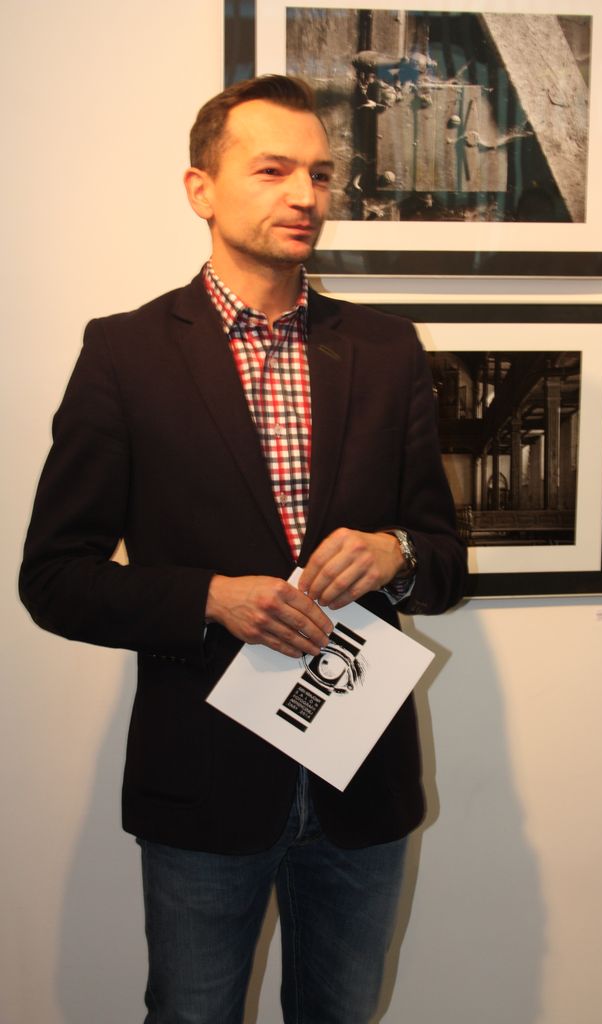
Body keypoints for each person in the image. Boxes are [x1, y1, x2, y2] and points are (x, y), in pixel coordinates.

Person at [19, 74, 467, 1024]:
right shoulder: (126, 355)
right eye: (272, 170)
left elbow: (443, 555)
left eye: (320, 173)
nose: (305, 195)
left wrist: (395, 552)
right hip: (203, 779)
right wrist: (208, 598)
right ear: (201, 189)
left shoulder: (386, 350)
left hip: (361, 778)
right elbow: (54, 578)